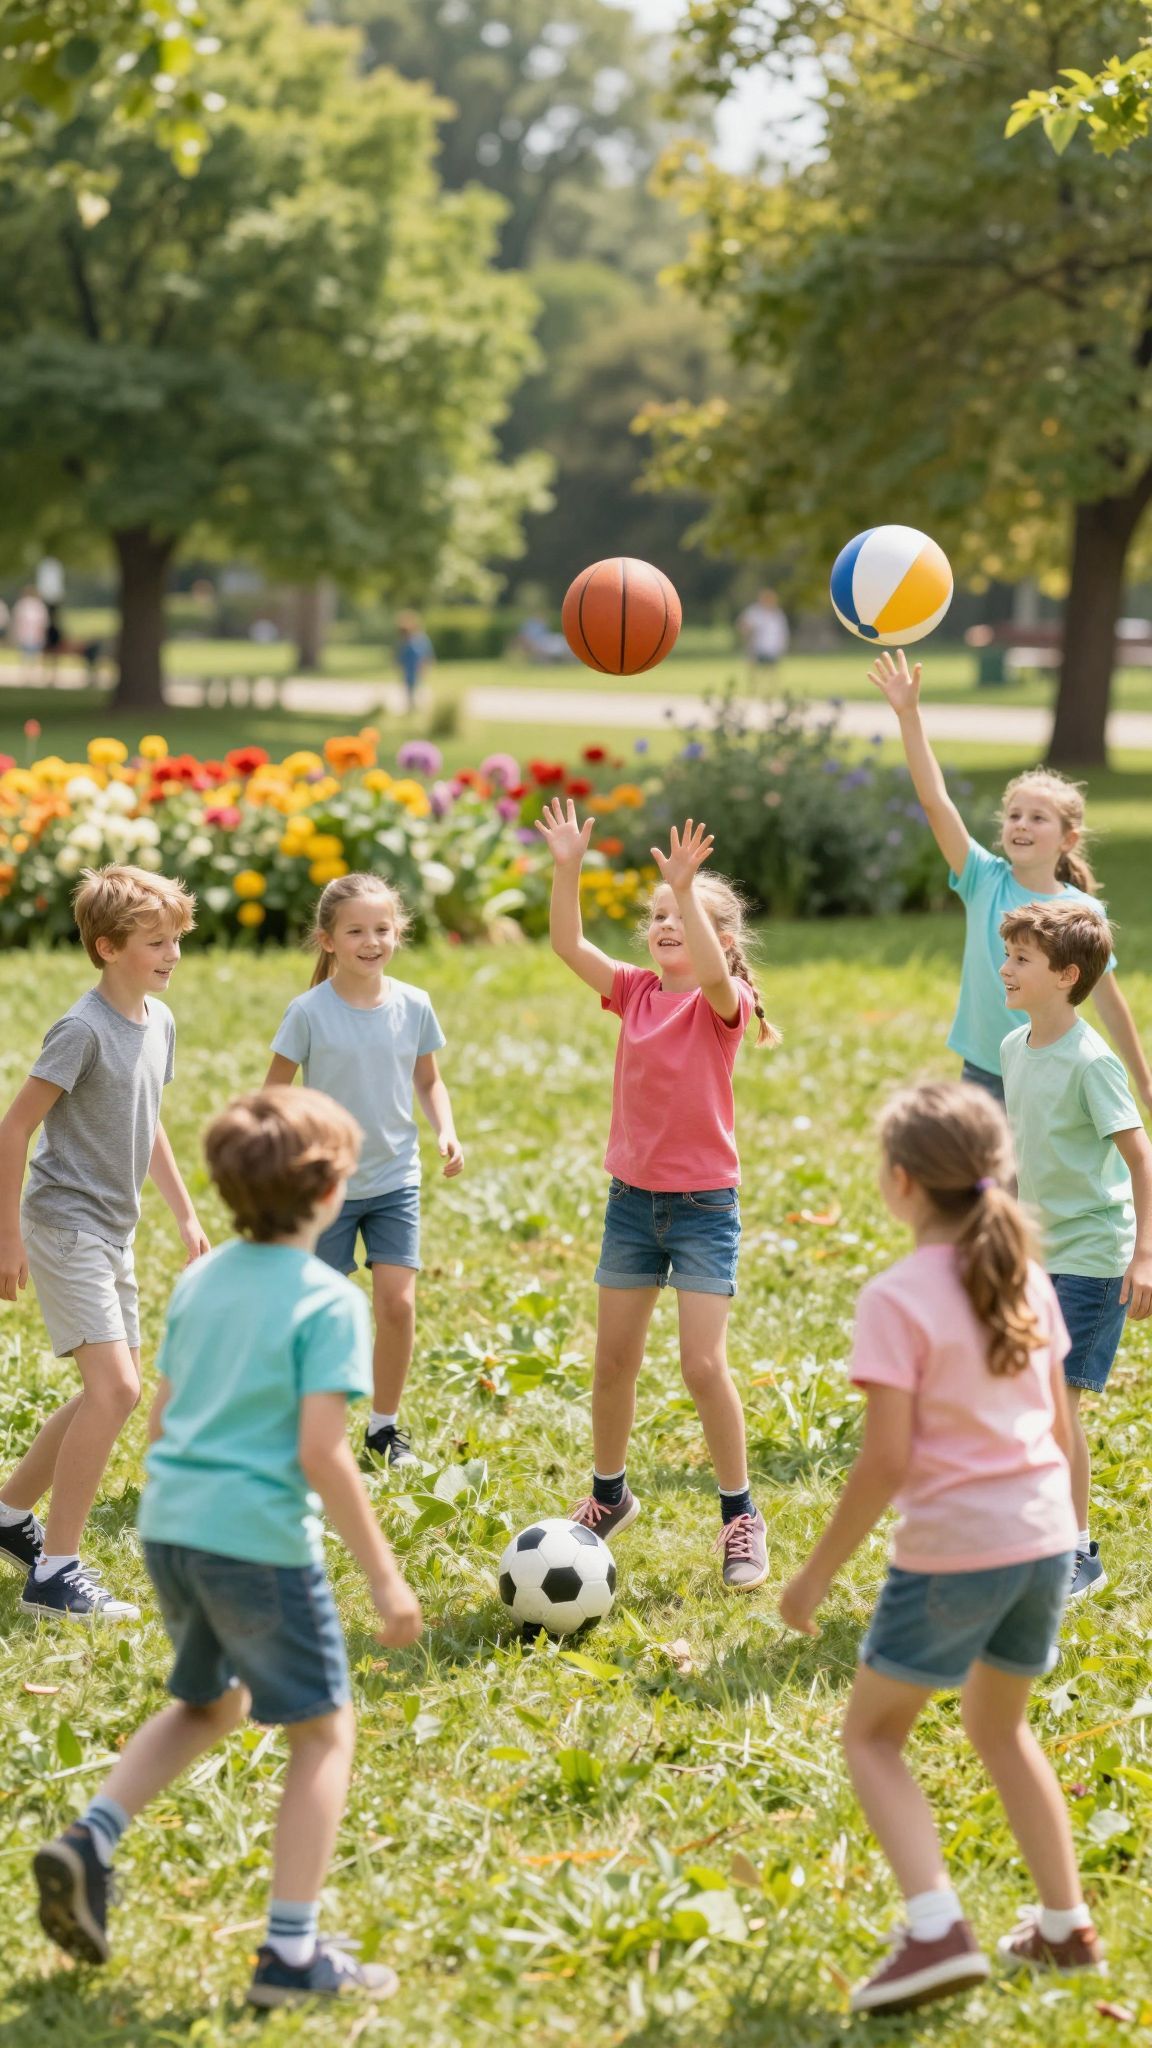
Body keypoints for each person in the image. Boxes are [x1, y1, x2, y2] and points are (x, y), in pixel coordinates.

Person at [32, 1087, 423, 2009]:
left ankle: (91, 1838)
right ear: (329, 1191)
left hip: (172, 1529)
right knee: (324, 1732)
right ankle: (290, 1955)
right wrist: (385, 1577)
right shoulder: (329, 1302)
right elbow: (323, 1452)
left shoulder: (201, 1282)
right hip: (256, 1545)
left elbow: (163, 1415)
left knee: (207, 1703)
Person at [781, 1081, 1102, 2018]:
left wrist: (813, 1576)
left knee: (872, 1736)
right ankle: (1064, 1924)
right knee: (1002, 1728)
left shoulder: (896, 1296)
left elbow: (885, 1460)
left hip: (957, 1550)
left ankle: (934, 1930)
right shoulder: (1028, 1276)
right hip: (1045, 1537)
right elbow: (1054, 1421)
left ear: (901, 1181)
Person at [535, 801, 779, 1589]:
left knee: (703, 1365)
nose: (664, 923)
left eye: (681, 915)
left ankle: (740, 1515)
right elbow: (567, 943)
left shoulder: (722, 1006)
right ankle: (609, 1496)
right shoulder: (636, 991)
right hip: (632, 1204)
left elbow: (711, 972)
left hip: (705, 1207)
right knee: (613, 1362)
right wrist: (567, 866)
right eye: (658, 914)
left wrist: (683, 880)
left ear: (724, 939)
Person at [0, 865, 208, 1620]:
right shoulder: (81, 1030)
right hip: (62, 1225)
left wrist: (184, 1214)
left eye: (176, 939)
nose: (172, 954)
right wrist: (7, 1237)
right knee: (116, 1390)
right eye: (156, 942)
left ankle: (10, 1513)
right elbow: (15, 1126)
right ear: (107, 946)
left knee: (104, 1389)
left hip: (114, 1229)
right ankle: (55, 1574)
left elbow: (145, 1118)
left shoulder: (159, 1021)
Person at [869, 647, 1152, 1109]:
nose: (1021, 824)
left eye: (1038, 818)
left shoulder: (1082, 912)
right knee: (986, 1182)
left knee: (1039, 1180)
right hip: (983, 1070)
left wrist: (1144, 1081)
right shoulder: (983, 878)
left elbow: (1109, 1000)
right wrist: (908, 714)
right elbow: (936, 802)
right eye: (1014, 814)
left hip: (1053, 1067)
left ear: (1067, 838)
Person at [265, 873, 463, 1469]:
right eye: (356, 931)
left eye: (382, 929)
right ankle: (303, 1425)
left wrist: (445, 1129)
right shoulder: (308, 1012)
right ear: (327, 940)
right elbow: (273, 1095)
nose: (371, 941)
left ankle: (383, 1429)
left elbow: (428, 1080)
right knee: (320, 1313)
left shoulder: (414, 1005)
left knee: (397, 1306)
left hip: (395, 1179)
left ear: (396, 932)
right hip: (327, 1186)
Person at [999, 900, 1152, 1599]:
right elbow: (1022, 1147)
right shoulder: (1012, 1047)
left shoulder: (1092, 1062)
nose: (1005, 969)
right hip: (1036, 1255)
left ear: (1065, 976)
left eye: (1021, 960)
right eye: (1008, 956)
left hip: (1093, 1258)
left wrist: (1144, 1254)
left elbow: (1140, 1159)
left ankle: (1076, 1551)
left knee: (1058, 1405)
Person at [738, 588, 789, 676]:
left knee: (772, 672)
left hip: (773, 648)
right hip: (756, 648)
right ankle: (754, 688)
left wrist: (782, 646)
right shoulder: (754, 612)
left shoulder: (777, 614)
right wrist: (747, 635)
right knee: (754, 672)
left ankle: (771, 688)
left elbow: (783, 633)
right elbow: (743, 625)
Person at [395, 610, 434, 710]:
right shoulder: (403, 640)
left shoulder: (420, 638)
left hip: (417, 666)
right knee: (409, 687)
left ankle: (417, 706)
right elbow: (400, 655)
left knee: (418, 686)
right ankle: (411, 706)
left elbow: (426, 653)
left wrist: (425, 665)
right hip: (408, 667)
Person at [11, 585, 48, 675]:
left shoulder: (36, 605)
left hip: (32, 633)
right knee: (27, 654)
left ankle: (30, 672)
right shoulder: (25, 604)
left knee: (31, 654)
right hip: (26, 632)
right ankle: (28, 672)